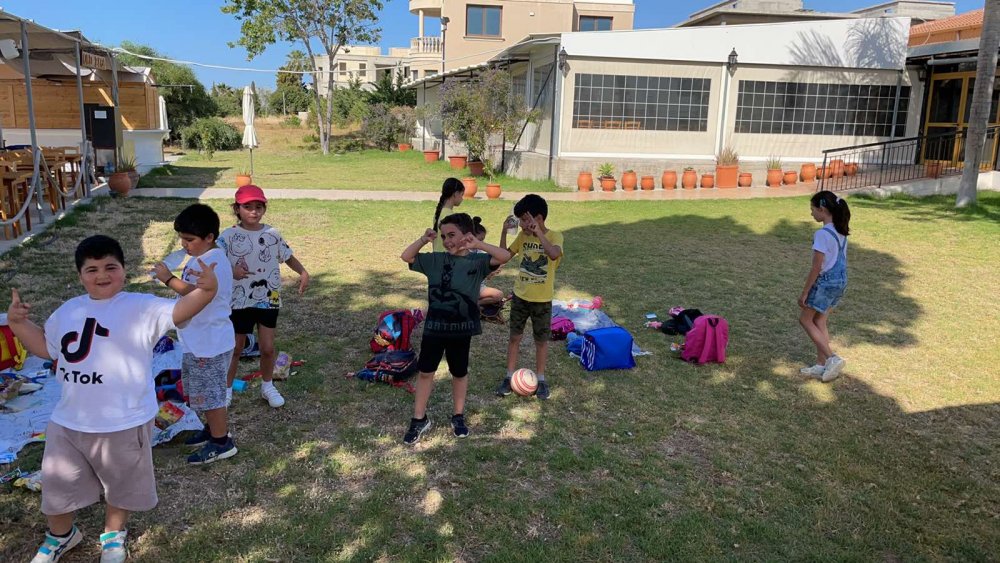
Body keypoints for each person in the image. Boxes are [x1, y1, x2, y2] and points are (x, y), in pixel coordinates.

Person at [8, 235, 218, 563]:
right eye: (92, 269)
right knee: (57, 485)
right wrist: (18, 323)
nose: (102, 275)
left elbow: (180, 310)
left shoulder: (140, 306)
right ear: (80, 275)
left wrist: (207, 291)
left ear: (123, 269)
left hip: (125, 420)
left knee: (121, 484)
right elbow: (47, 349)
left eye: (110, 267)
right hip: (69, 420)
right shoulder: (68, 310)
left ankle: (113, 534)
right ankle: (61, 535)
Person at [400, 212, 511, 444]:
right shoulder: (435, 260)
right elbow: (406, 256)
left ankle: (458, 416)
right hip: (434, 329)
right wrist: (423, 240)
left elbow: (504, 256)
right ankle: (419, 419)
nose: (447, 241)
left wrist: (478, 244)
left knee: (459, 373)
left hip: (461, 329)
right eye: (443, 236)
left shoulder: (477, 262)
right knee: (425, 372)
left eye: (452, 235)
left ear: (467, 235)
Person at [152, 204, 237, 465]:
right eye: (182, 239)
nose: (184, 244)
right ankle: (212, 430)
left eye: (190, 239)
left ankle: (221, 443)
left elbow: (198, 295)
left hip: (210, 343)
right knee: (204, 392)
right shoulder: (200, 257)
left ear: (209, 237)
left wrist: (168, 279)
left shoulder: (214, 262)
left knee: (212, 397)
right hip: (199, 341)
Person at [218, 185, 310, 409]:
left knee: (267, 348)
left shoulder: (272, 234)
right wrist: (231, 271)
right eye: (247, 207)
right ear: (237, 209)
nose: (254, 211)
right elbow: (215, 262)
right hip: (239, 301)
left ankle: (267, 386)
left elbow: (287, 256)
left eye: (259, 207)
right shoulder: (227, 236)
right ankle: (226, 389)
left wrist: (303, 272)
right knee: (235, 348)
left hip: (268, 299)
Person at [495, 194, 563, 400]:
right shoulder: (522, 237)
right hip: (520, 297)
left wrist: (538, 233)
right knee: (514, 337)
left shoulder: (555, 236)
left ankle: (541, 379)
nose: (522, 225)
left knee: (541, 341)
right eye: (520, 220)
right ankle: (508, 376)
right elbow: (503, 256)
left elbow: (553, 254)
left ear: (539, 218)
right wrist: (504, 232)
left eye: (525, 220)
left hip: (542, 300)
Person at [799, 190, 851, 383]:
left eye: (812, 209)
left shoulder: (822, 234)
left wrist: (805, 292)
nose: (811, 213)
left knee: (805, 319)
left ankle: (832, 358)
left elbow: (817, 266)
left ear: (822, 209)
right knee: (820, 320)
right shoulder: (840, 230)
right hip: (840, 281)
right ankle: (821, 365)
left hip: (825, 283)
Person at [471, 217, 505, 307]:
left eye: (483, 240)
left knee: (498, 295)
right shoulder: (462, 252)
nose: (482, 242)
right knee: (498, 295)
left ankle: (473, 304)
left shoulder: (481, 252)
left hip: (477, 287)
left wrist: (491, 272)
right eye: (480, 240)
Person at [431, 178, 465, 252]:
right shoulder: (450, 216)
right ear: (456, 194)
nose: (462, 199)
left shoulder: (439, 212)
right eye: (462, 195)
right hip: (446, 256)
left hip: (437, 254)